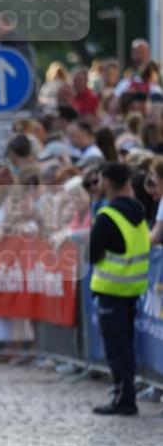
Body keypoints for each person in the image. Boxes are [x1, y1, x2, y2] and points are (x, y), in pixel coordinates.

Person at [89, 163, 150, 416]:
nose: (97, 185)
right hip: (133, 288)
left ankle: (124, 399)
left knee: (117, 349)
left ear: (108, 182)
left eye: (100, 180)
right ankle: (126, 395)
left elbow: (93, 255)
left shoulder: (107, 216)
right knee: (125, 345)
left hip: (111, 289)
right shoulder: (139, 211)